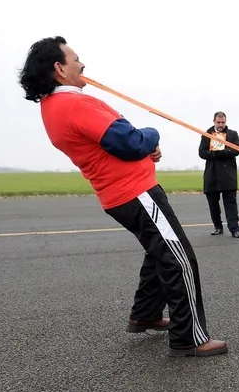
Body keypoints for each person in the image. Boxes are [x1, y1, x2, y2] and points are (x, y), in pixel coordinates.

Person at [17, 36, 227, 358]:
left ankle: (145, 312)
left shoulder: (53, 106)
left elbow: (115, 144)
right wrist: (152, 134)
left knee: (159, 251)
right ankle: (190, 338)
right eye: (75, 60)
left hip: (120, 194)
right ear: (59, 68)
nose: (82, 64)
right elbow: (126, 141)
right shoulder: (73, 104)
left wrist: (144, 148)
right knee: (179, 258)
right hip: (135, 192)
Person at [198, 112, 239, 238]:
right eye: (218, 122)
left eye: (223, 122)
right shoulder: (206, 134)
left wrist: (224, 152)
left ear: (226, 121)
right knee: (213, 204)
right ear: (214, 121)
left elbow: (237, 149)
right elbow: (201, 153)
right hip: (212, 174)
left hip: (228, 175)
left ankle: (235, 229)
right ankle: (217, 227)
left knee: (231, 204)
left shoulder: (233, 134)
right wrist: (214, 154)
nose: (221, 125)